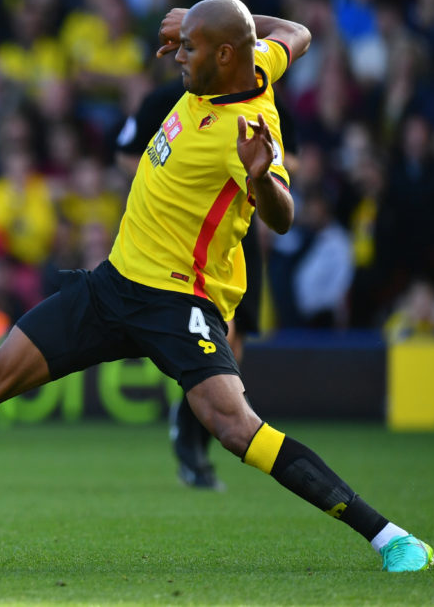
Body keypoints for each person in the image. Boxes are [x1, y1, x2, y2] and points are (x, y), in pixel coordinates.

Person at [0, 0, 434, 572]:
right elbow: (298, 32)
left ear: (225, 57)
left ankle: (388, 535)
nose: (177, 54)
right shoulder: (252, 59)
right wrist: (206, 18)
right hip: (113, 286)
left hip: (180, 301)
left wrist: (262, 180)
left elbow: (283, 217)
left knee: (233, 426)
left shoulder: (246, 128)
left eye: (193, 46)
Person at [115, 73, 298, 491]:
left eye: (189, 48)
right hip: (168, 241)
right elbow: (125, 153)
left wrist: (260, 169)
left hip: (233, 235)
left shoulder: (258, 102)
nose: (181, 57)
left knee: (235, 341)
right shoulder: (163, 99)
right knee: (213, 342)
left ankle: (192, 425)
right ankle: (192, 438)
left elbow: (293, 162)